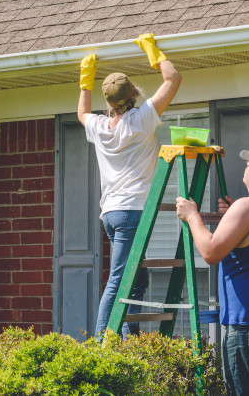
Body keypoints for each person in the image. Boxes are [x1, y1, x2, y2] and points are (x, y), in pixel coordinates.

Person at [78, 33, 182, 338]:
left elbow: (82, 113)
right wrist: (154, 52)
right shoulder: (141, 119)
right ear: (133, 94)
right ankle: (101, 345)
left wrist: (86, 79)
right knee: (119, 280)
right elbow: (173, 79)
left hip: (111, 214)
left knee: (136, 281)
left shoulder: (99, 126)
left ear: (108, 101)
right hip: (132, 212)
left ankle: (130, 341)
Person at [175, 145, 249, 396]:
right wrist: (232, 216)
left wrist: (192, 216)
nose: (246, 165)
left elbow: (210, 252)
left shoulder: (247, 208)